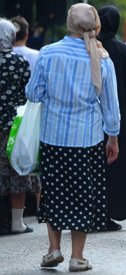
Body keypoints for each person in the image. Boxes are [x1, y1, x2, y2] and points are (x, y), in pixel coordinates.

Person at [25, 3, 120, 271]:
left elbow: (33, 94)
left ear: (68, 23)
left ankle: (53, 249)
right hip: (87, 139)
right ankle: (77, 256)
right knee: (82, 196)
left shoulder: (48, 53)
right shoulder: (102, 57)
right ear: (95, 26)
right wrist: (112, 138)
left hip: (53, 137)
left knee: (53, 192)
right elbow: (110, 104)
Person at [98, 5, 126, 231]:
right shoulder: (123, 51)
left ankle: (91, 212)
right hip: (118, 116)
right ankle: (109, 213)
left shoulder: (88, 48)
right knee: (114, 165)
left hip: (92, 116)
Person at [0, 18, 37, 235]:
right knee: (15, 171)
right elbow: (29, 94)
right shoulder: (18, 62)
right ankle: (16, 222)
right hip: (13, 126)